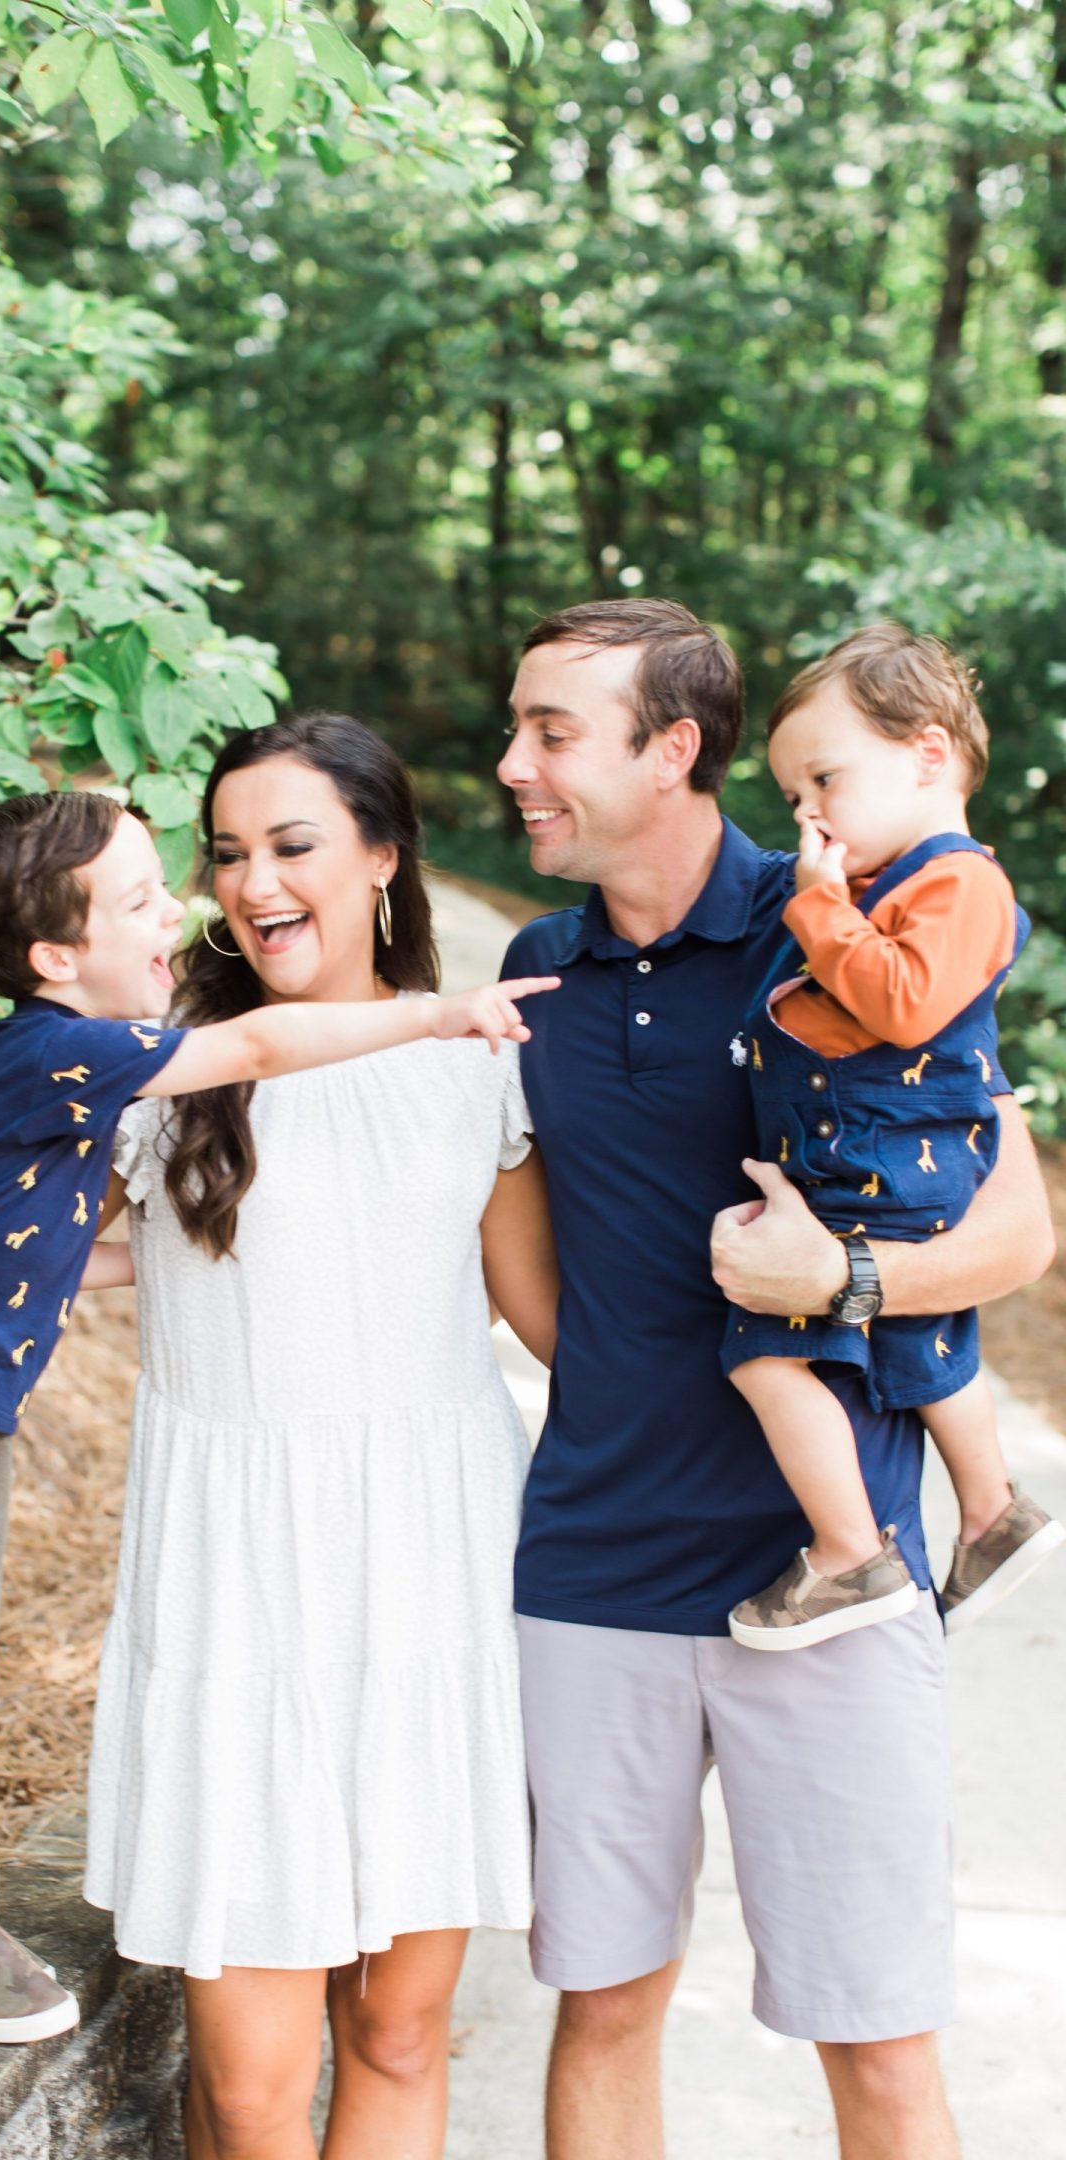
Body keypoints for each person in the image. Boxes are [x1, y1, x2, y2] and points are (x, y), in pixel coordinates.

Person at [0, 714, 561, 2159]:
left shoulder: (483, 1069)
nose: (248, 882)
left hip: (430, 1572)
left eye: (292, 845)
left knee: (398, 2036)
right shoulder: (159, 1067)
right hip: (238, 1586)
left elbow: (552, 1331)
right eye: (223, 853)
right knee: (250, 2093)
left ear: (386, 857)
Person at [497, 598, 1054, 2160]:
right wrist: (617, 1381)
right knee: (603, 2004)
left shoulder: (847, 918)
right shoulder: (535, 976)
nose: (512, 763)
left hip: (834, 1577)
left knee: (874, 2041)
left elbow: (1013, 1223)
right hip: (595, 1568)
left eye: (550, 732)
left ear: (673, 749)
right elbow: (525, 1264)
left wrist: (847, 1286)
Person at [722, 625, 1062, 1649]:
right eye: (792, 797)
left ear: (926, 753)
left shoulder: (960, 884)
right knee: (920, 1339)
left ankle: (846, 1552)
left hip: (885, 1161)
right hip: (874, 1158)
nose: (807, 812)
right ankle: (992, 1513)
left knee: (764, 1352)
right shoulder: (896, 887)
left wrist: (821, 908)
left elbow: (904, 1005)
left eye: (825, 777)